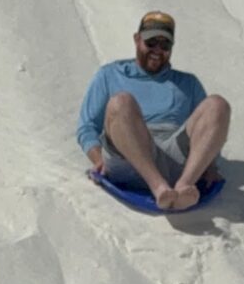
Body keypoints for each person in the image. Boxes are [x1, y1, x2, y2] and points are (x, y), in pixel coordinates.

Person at [77, 11, 231, 211]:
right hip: (127, 158)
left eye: (165, 45)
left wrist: (209, 167)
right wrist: (98, 160)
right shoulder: (110, 75)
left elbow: (208, 130)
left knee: (217, 104)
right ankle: (158, 187)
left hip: (174, 158)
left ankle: (184, 185)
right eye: (151, 43)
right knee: (121, 102)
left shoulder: (187, 83)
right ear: (137, 39)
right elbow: (87, 127)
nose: (157, 50)